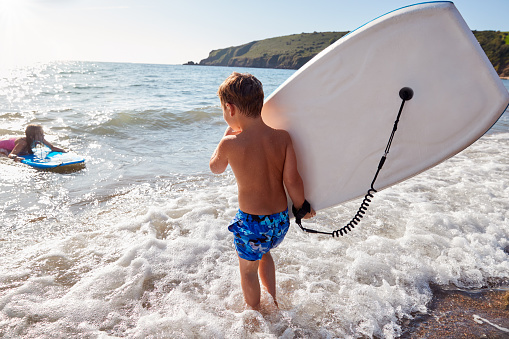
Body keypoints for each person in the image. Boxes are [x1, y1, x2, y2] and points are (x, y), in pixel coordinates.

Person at [210, 72, 315, 309]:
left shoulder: (231, 143)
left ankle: (255, 316)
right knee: (265, 253)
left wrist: (226, 135)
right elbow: (292, 180)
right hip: (278, 223)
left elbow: (215, 167)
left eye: (224, 111)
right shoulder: (282, 138)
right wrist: (301, 207)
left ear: (231, 109)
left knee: (248, 271)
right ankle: (274, 301)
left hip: (251, 224)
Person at [0, 124, 66, 161]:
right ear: (31, 137)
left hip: (11, 140)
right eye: (40, 134)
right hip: (1, 145)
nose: (43, 135)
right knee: (3, 154)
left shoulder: (40, 139)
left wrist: (63, 150)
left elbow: (52, 147)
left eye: (42, 133)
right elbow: (10, 155)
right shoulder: (23, 142)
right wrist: (16, 158)